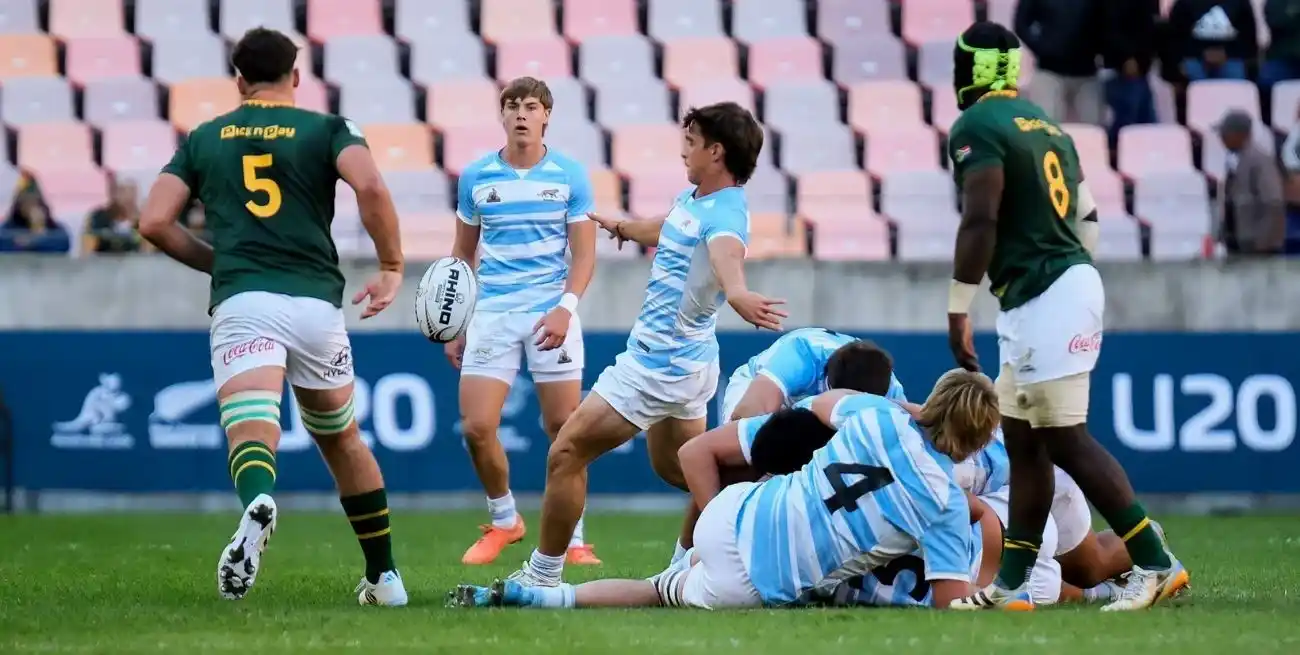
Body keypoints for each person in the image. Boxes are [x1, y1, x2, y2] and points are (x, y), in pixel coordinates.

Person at [137, 27, 407, 606]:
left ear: (239, 81)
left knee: (252, 425)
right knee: (342, 439)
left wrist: (218, 263)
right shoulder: (328, 128)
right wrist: (390, 265)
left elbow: (154, 221)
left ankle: (258, 500)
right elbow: (370, 186)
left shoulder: (205, 137)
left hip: (246, 300)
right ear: (296, 76)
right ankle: (384, 578)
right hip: (315, 305)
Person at [942, 21, 1188, 612]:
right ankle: (1011, 585)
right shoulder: (1046, 125)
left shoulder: (977, 125)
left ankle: (1156, 562)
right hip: (1052, 289)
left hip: (1044, 293)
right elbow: (1089, 217)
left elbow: (981, 218)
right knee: (1025, 443)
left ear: (970, 69)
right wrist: (1070, 274)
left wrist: (958, 306)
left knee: (1064, 438)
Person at [502, 101, 787, 588]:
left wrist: (738, 294)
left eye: (691, 142)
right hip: (691, 365)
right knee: (685, 470)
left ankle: (541, 576)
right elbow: (671, 225)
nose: (683, 151)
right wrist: (624, 227)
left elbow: (727, 258)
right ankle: (758, 523)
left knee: (566, 453)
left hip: (657, 366)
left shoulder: (726, 216)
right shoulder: (696, 199)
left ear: (717, 152)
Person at [450, 370, 1001, 610]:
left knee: (671, 581)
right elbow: (950, 603)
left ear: (933, 401)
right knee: (660, 593)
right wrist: (993, 597)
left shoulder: (877, 415)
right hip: (757, 579)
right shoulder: (946, 505)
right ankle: (548, 598)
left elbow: (823, 404)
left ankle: (540, 595)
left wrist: (906, 410)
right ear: (976, 440)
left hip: (735, 510)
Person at [445, 76, 600, 566]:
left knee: (564, 429)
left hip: (550, 311)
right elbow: (462, 255)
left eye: (531, 106)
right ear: (501, 114)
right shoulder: (476, 177)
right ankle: (505, 520)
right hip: (492, 312)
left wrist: (565, 308)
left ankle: (574, 539)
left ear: (546, 115)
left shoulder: (569, 175)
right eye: (512, 106)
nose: (520, 114)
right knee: (476, 426)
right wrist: (457, 321)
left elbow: (584, 255)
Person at [674, 341, 900, 563]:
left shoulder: (893, 402)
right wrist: (719, 528)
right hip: (765, 388)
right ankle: (687, 557)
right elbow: (696, 452)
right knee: (740, 462)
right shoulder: (800, 358)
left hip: (829, 409)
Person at [720, 328, 907, 422]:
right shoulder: (801, 355)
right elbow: (745, 419)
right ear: (826, 379)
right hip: (761, 384)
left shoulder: (891, 389)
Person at [1013, 0, 1105, 124]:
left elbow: (1108, 21)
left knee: (1093, 126)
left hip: (1086, 72)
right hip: (1049, 71)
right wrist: (1042, 48)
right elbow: (1021, 23)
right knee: (1046, 126)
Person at [1216, 110, 1285, 257]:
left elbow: (1273, 202)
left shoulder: (1260, 161)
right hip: (1239, 242)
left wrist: (1264, 243)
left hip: (1257, 246)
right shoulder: (1234, 160)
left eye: (1225, 134)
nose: (1221, 138)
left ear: (1240, 134)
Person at [1167, 0, 1258, 81]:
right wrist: (1202, 53)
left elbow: (1248, 36)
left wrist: (1227, 53)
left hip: (1231, 57)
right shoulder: (1185, 2)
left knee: (1235, 80)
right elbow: (1176, 36)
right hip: (1194, 56)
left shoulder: (1239, 2)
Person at [84, 180, 147, 254]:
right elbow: (87, 249)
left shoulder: (143, 221)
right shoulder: (99, 218)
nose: (127, 196)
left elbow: (147, 251)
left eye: (131, 192)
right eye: (123, 191)